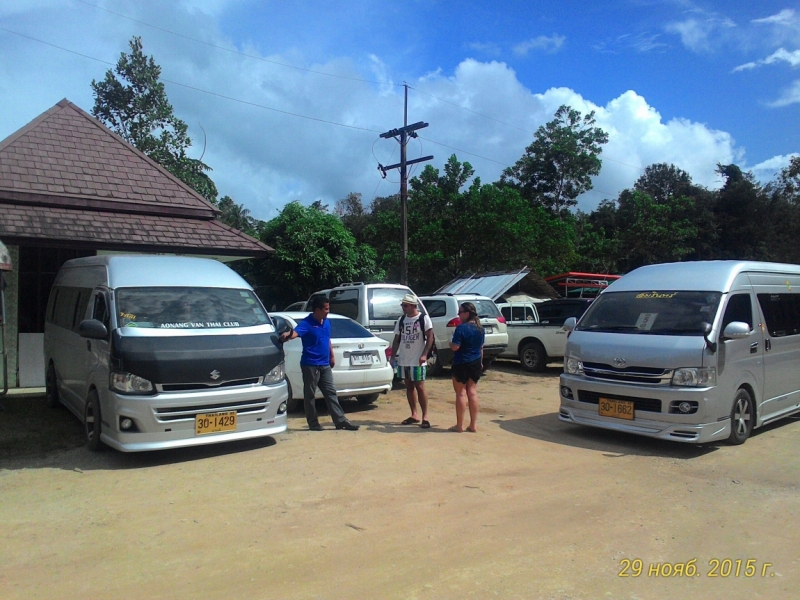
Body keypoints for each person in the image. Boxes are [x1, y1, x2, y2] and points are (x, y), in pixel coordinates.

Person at [279, 296, 359, 431]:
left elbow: (327, 339)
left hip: (325, 364)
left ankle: (341, 421)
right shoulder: (306, 323)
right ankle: (313, 423)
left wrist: (331, 355)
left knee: (331, 393)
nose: (328, 311)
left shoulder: (326, 322)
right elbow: (295, 333)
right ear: (317, 310)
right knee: (310, 395)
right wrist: (286, 335)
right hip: (310, 365)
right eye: (326, 309)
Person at [391, 294, 435, 429]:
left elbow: (430, 337)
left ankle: (425, 417)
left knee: (420, 387)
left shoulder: (423, 318)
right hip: (404, 359)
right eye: (402, 305)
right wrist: (393, 356)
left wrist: (424, 354)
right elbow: (397, 338)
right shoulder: (402, 319)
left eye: (405, 305)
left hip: (417, 359)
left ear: (413, 306)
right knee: (409, 386)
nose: (403, 308)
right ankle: (414, 414)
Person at [449, 302, 484, 433]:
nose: (458, 314)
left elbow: (456, 347)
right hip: (475, 362)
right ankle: (473, 425)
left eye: (460, 312)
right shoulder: (480, 328)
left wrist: (450, 344)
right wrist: (480, 362)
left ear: (467, 314)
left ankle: (459, 426)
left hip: (461, 363)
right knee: (472, 392)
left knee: (460, 394)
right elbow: (481, 348)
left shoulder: (461, 328)